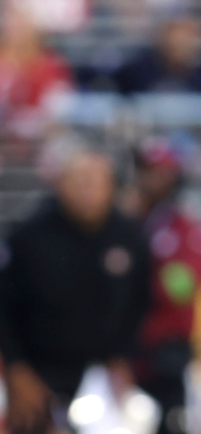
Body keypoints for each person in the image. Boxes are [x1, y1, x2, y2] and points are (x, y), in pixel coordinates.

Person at [0, 138, 151, 434]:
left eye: (97, 181)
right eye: (79, 180)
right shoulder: (28, 237)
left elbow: (141, 303)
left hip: (104, 374)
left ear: (112, 186)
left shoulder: (130, 238)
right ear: (60, 184)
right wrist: (17, 370)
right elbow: (4, 308)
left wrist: (124, 357)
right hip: (38, 371)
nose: (88, 190)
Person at [129, 136, 201, 434]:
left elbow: (182, 289)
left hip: (166, 355)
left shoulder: (186, 229)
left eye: (158, 171)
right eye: (145, 169)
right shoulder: (127, 222)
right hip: (125, 353)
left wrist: (143, 266)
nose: (149, 179)